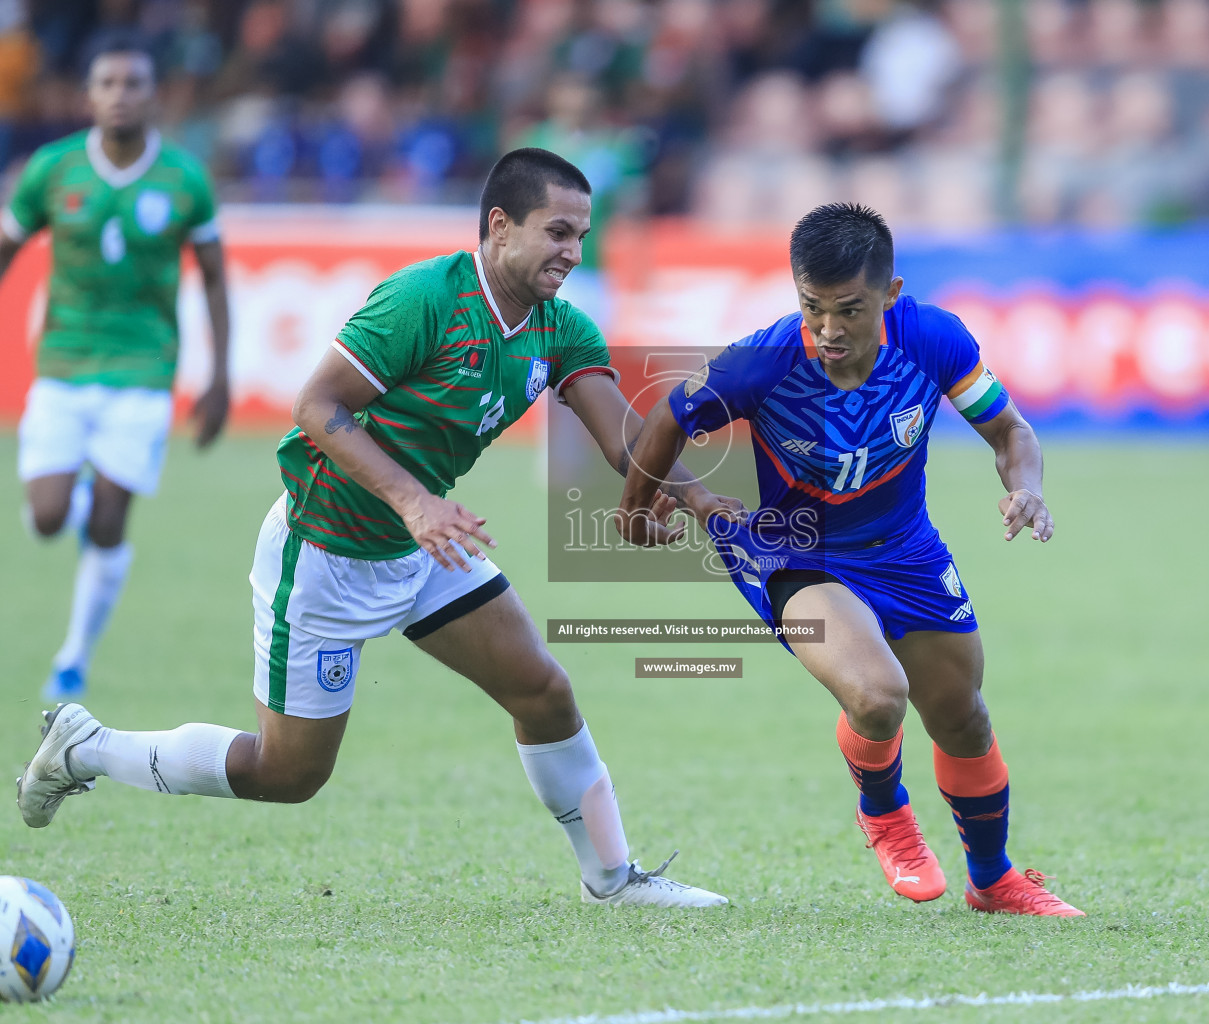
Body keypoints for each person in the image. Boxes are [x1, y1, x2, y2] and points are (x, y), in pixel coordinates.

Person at [17, 148, 726, 908]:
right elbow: (317, 407)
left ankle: (612, 880)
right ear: (499, 226)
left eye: (581, 236)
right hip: (326, 548)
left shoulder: (560, 329)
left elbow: (623, 437)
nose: (571, 252)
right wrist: (415, 501)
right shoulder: (424, 298)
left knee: (543, 691)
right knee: (287, 775)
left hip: (425, 546)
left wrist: (702, 501)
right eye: (556, 232)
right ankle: (88, 748)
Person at [617, 203, 1083, 916]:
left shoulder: (932, 339)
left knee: (962, 716)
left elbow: (1008, 432)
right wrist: (639, 509)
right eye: (812, 307)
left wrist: (1026, 488)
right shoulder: (764, 360)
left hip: (903, 546)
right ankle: (885, 816)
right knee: (876, 694)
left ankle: (993, 882)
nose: (828, 330)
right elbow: (664, 420)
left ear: (889, 294)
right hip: (791, 548)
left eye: (848, 310)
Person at [0, 33, 231, 700]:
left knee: (108, 524)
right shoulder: (51, 169)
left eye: (134, 83)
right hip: (63, 365)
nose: (121, 95)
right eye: (108, 83)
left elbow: (214, 280)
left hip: (143, 370)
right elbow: (7, 248)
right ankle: (71, 497)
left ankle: (73, 658)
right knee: (46, 518)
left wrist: (218, 378)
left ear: (154, 95)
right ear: (88, 94)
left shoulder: (184, 178)